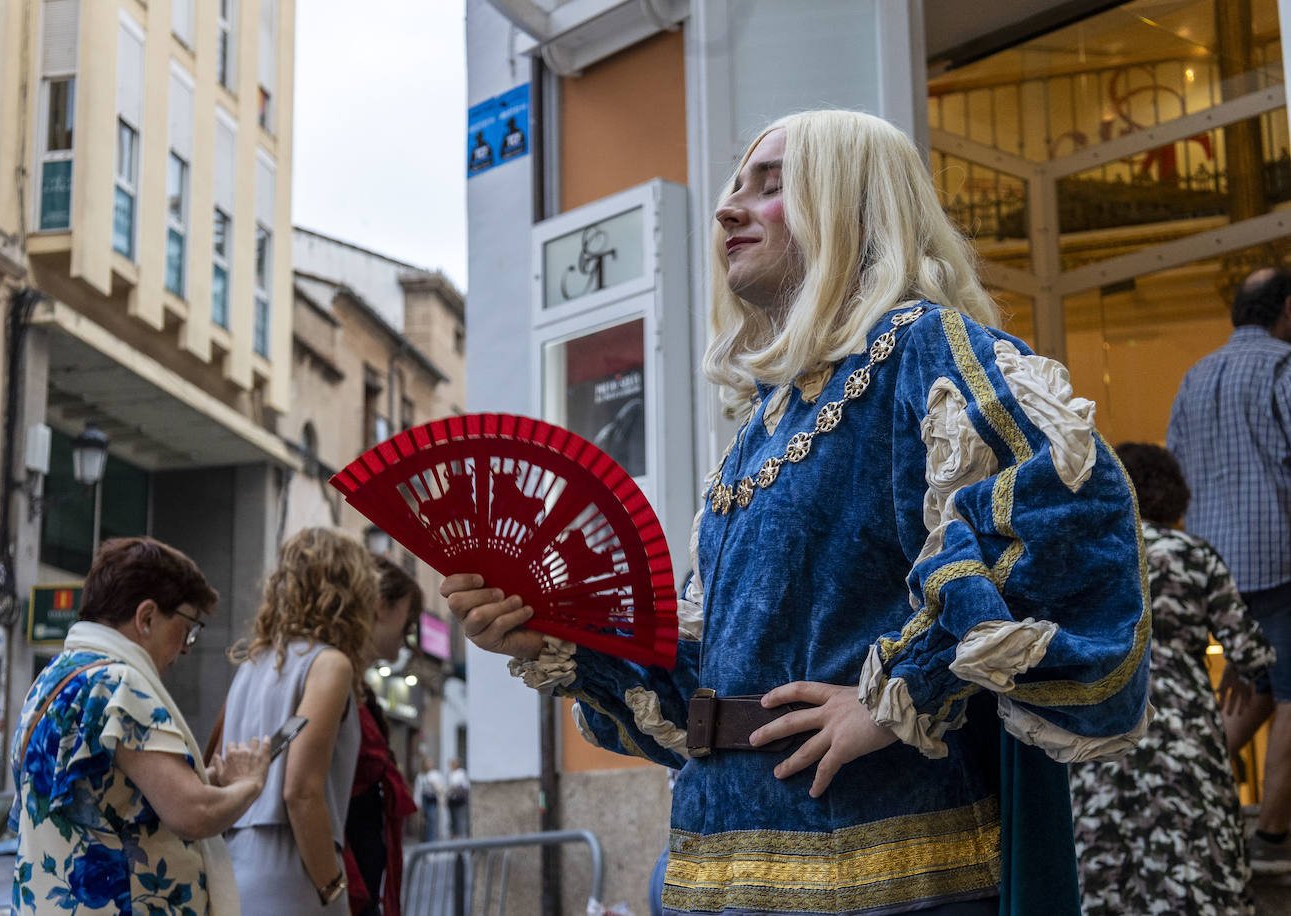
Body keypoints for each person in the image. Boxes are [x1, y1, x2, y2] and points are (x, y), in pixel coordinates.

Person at [441, 109, 1152, 916]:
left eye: (772, 186)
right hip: (719, 864)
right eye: (734, 185)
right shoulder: (761, 425)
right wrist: (560, 637)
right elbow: (705, 691)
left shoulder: (924, 348)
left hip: (882, 867)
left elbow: (1070, 505)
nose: (727, 209)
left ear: (855, 208)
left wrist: (899, 695)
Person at [9, 537, 271, 915]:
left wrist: (209, 784)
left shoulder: (54, 678)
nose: (186, 647)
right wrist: (250, 783)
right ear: (146, 618)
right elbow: (192, 812)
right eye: (188, 626)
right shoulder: (118, 685)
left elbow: (110, 804)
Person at [1070, 442, 1274, 915]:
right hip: (1183, 737)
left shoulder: (1087, 556)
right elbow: (1251, 651)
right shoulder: (1192, 552)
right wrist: (1241, 672)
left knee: (1103, 868)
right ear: (1173, 495)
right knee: (1197, 864)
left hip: (1102, 730)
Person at [1168, 265, 1291, 872]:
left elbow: (1173, 472)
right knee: (1289, 696)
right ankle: (1271, 836)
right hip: (1282, 563)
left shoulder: (1194, 377)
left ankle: (1184, 805)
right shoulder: (1283, 369)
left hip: (1215, 570)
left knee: (1258, 686)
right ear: (1287, 310)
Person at [222, 527, 415, 914]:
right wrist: (332, 886)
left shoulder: (253, 664)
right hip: (292, 874)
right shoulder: (329, 664)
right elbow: (301, 791)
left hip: (234, 867)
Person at [343, 554, 421, 916]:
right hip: (348, 876)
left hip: (362, 873)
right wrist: (332, 883)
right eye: (407, 622)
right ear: (380, 606)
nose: (407, 640)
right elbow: (304, 790)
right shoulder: (332, 676)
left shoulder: (358, 687)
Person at [412, 757, 443, 843]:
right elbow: (418, 790)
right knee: (424, 820)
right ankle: (424, 839)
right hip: (424, 798)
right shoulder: (421, 776)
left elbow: (440, 787)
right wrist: (417, 802)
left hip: (432, 798)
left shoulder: (435, 774)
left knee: (432, 818)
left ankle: (431, 840)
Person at [444, 757, 469, 838]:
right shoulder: (449, 774)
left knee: (459, 818)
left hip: (460, 799)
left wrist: (455, 787)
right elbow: (447, 787)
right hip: (452, 799)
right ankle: (454, 836)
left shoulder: (461, 773)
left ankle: (460, 836)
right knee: (453, 819)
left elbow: (465, 785)